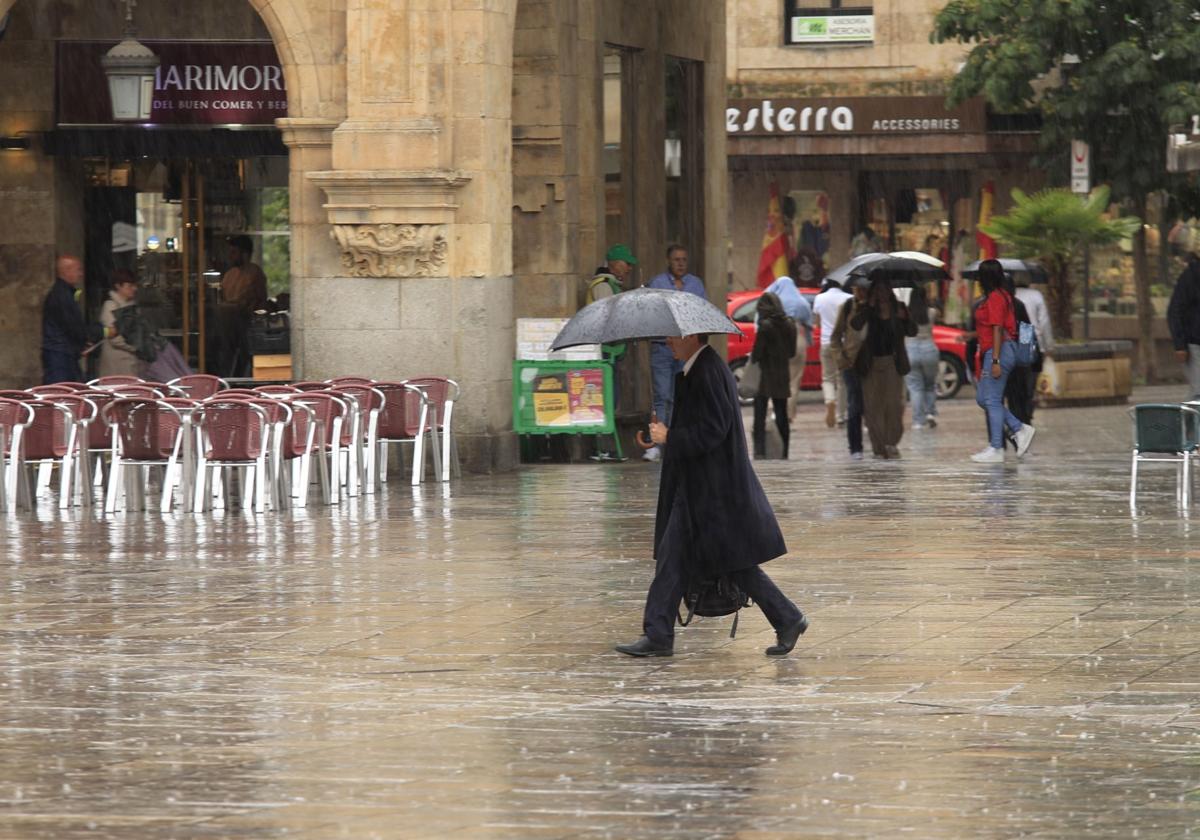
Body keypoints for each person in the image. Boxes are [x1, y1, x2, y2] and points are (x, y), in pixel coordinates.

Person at [614, 331, 808, 658]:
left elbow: (713, 429)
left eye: (673, 336)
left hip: (711, 492)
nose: (668, 342)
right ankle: (785, 618)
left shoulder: (707, 370)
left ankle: (786, 617)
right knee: (688, 561)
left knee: (721, 562)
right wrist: (662, 437)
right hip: (700, 490)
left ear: (691, 335)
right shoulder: (697, 369)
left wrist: (671, 436)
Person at [643, 244, 706, 463]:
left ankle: (678, 441)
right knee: (663, 396)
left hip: (686, 349)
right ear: (668, 261)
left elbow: (701, 312)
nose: (680, 263)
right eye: (676, 259)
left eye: (683, 260)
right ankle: (656, 445)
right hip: (662, 347)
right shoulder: (657, 284)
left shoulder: (696, 285)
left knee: (684, 397)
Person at [971, 259, 1036, 463]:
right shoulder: (996, 297)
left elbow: (998, 328)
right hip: (993, 351)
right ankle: (1019, 428)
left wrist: (996, 360)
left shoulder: (997, 298)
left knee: (991, 400)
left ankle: (997, 447)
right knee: (984, 398)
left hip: (998, 351)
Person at [851, 275, 917, 459]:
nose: (881, 293)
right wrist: (869, 307)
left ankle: (891, 442)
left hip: (893, 363)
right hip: (870, 364)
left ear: (889, 291)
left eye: (884, 289)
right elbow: (855, 325)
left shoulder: (899, 308)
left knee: (894, 405)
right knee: (873, 408)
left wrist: (905, 320)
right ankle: (878, 446)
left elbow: (913, 331)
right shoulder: (867, 309)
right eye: (877, 290)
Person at [751, 292, 796, 459]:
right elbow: (791, 352)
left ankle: (760, 450)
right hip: (782, 374)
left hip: (765, 375)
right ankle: (784, 452)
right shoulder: (790, 324)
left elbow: (757, 354)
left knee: (760, 414)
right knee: (782, 414)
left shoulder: (765, 326)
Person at [217, 234, 268, 377]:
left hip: (247, 326)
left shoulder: (255, 273)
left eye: (234, 252)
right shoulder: (229, 274)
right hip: (227, 327)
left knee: (244, 360)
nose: (230, 256)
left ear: (245, 254)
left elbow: (253, 301)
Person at [830, 277, 870, 460]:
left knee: (872, 405)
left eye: (863, 289)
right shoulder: (846, 307)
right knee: (855, 405)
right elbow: (835, 337)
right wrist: (841, 359)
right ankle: (855, 446)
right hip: (851, 363)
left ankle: (880, 442)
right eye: (857, 288)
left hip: (873, 363)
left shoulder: (875, 306)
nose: (860, 292)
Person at [763, 274, 812, 421]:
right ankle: (788, 415)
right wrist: (809, 341)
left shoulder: (773, 301)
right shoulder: (801, 302)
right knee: (794, 380)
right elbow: (808, 325)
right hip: (797, 338)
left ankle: (774, 411)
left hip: (777, 340)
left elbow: (761, 321)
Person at [41, 254, 90, 384]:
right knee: (60, 392)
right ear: (66, 271)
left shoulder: (64, 293)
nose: (81, 274)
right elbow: (72, 325)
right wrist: (84, 339)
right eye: (78, 270)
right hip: (60, 354)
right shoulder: (61, 295)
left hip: (63, 352)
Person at [812, 278, 851, 428]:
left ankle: (830, 401)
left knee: (828, 378)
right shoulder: (848, 298)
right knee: (842, 380)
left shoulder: (819, 298)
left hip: (826, 342)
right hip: (842, 343)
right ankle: (841, 415)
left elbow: (818, 322)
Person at [904, 283, 940, 430]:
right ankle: (930, 413)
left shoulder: (906, 313)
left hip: (910, 349)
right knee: (930, 384)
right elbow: (938, 310)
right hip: (929, 348)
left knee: (915, 387)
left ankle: (918, 421)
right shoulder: (931, 312)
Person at [97, 270, 143, 378]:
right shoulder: (110, 306)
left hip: (131, 361)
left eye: (135, 285)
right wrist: (136, 347)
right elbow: (114, 336)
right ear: (118, 286)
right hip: (117, 363)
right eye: (130, 285)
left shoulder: (133, 307)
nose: (134, 289)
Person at [1167, 253, 1200, 399]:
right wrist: (1180, 344)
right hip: (1195, 344)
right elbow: (1175, 309)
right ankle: (1187, 420)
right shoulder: (1191, 276)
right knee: (1198, 392)